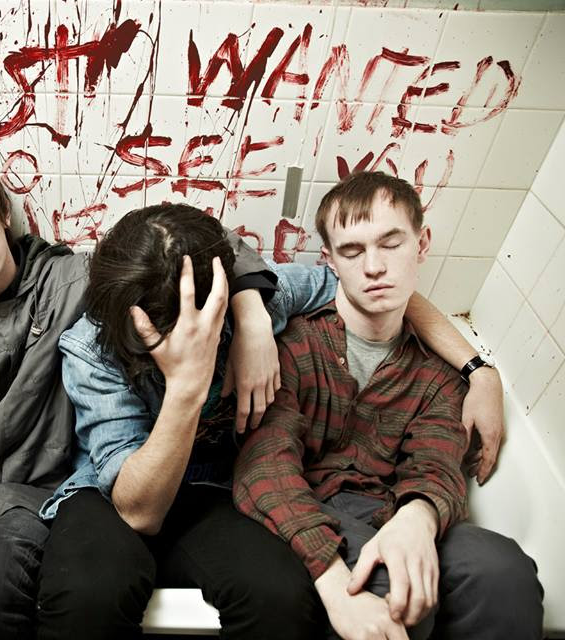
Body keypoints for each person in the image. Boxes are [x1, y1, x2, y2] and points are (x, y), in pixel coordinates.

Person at [0, 149, 284, 639]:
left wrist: (251, 317)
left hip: (31, 498)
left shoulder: (74, 279)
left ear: (2, 212)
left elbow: (191, 243)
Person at [35, 199, 514, 639]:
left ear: (218, 302)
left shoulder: (253, 305)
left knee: (280, 597)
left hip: (214, 489)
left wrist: (479, 371)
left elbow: (376, 293)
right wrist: (186, 385)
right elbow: (139, 513)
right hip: (116, 494)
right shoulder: (91, 347)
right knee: (87, 596)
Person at [233, 171, 544, 640]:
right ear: (330, 261)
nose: (374, 267)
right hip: (308, 509)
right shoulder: (293, 347)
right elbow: (265, 465)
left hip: (394, 505)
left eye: (391, 244)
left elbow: (437, 461)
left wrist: (418, 517)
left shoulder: (439, 372)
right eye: (352, 251)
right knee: (389, 587)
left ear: (422, 244)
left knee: (503, 574)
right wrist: (328, 558)